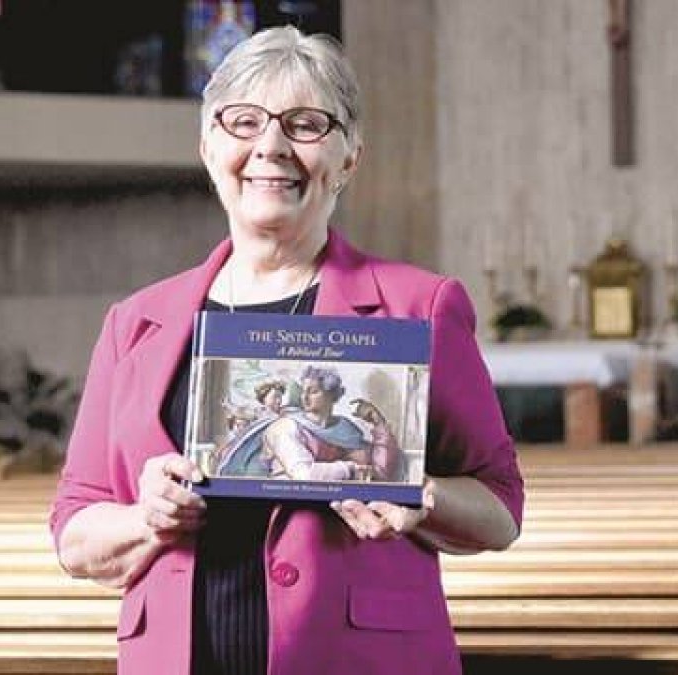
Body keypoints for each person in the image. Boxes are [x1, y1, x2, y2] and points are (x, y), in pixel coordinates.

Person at [50, 25, 524, 675]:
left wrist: (421, 495)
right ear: (208, 146)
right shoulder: (135, 323)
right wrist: (146, 516)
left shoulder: (421, 306)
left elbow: (500, 509)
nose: (270, 146)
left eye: (305, 124)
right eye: (243, 122)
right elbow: (75, 532)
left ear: (350, 156)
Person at [216, 365, 385, 482]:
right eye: (304, 391)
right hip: (284, 506)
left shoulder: (346, 429)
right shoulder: (285, 427)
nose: (304, 397)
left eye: (313, 391)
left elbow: (380, 473)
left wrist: (379, 425)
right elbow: (304, 475)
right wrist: (350, 469)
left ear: (332, 395)